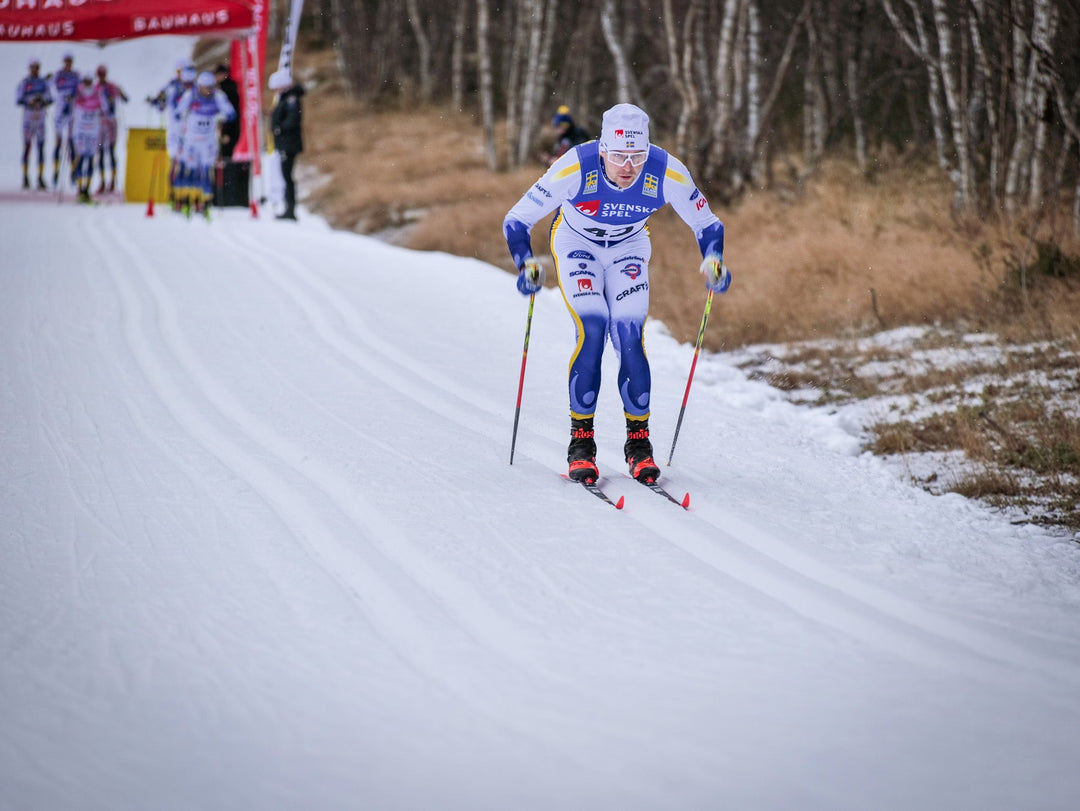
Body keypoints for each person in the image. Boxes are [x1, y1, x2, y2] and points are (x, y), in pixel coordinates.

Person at [503, 102, 731, 484]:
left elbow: (707, 223)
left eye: (637, 156)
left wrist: (713, 259)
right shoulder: (576, 165)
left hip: (629, 246)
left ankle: (639, 445)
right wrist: (525, 262)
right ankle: (581, 443)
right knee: (593, 327)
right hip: (577, 243)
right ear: (602, 149)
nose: (628, 166)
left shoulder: (666, 170)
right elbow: (517, 219)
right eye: (619, 156)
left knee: (628, 333)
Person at [174, 70, 236, 216]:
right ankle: (185, 200)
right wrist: (184, 115)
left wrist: (221, 116)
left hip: (208, 141)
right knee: (190, 170)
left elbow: (231, 113)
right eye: (205, 87)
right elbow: (178, 112)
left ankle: (204, 202)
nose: (208, 91)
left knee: (206, 171)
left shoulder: (218, 96)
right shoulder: (191, 95)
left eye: (210, 87)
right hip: (191, 140)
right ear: (200, 86)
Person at [148, 61, 195, 205]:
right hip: (175, 129)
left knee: (189, 162)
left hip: (191, 129)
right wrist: (155, 102)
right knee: (175, 161)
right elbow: (160, 104)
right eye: (179, 72)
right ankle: (173, 194)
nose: (182, 75)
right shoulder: (171, 86)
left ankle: (187, 195)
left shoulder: (194, 87)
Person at [269, 70, 304, 221]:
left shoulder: (291, 99)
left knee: (287, 176)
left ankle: (290, 209)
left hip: (289, 144)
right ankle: (288, 208)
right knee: (286, 176)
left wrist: (279, 128)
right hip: (285, 143)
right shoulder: (286, 98)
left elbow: (293, 119)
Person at [16, 58, 52, 190]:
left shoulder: (43, 82)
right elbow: (18, 99)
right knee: (27, 146)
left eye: (36, 67)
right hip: (28, 116)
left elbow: (50, 98)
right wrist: (29, 101)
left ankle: (40, 176)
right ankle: (25, 176)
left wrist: (42, 100)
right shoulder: (25, 82)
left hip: (40, 116)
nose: (34, 70)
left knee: (41, 146)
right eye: (32, 67)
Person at [70, 75, 107, 203]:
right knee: (80, 157)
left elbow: (105, 108)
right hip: (80, 131)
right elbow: (71, 110)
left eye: (89, 81)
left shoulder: (97, 92)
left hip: (93, 131)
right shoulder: (77, 92)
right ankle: (80, 189)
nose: (87, 83)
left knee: (91, 159)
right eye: (85, 81)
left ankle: (87, 189)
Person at [94, 65, 128, 193]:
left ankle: (113, 181)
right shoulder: (95, 88)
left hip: (111, 123)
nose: (101, 76)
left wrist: (119, 92)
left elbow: (125, 99)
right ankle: (102, 181)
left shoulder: (111, 86)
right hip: (99, 124)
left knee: (111, 151)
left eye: (103, 74)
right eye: (100, 74)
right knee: (100, 151)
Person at [49, 52, 80, 188]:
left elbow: (80, 90)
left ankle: (73, 171)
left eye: (70, 61)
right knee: (58, 141)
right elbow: (50, 89)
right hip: (60, 111)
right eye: (66, 61)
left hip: (71, 112)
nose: (68, 63)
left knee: (71, 142)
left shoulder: (76, 75)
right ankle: (55, 171)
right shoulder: (58, 75)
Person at [214, 64, 241, 159]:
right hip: (230, 128)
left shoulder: (227, 90)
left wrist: (226, 132)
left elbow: (230, 114)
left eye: (218, 75)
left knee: (228, 155)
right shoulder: (226, 88)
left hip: (230, 130)